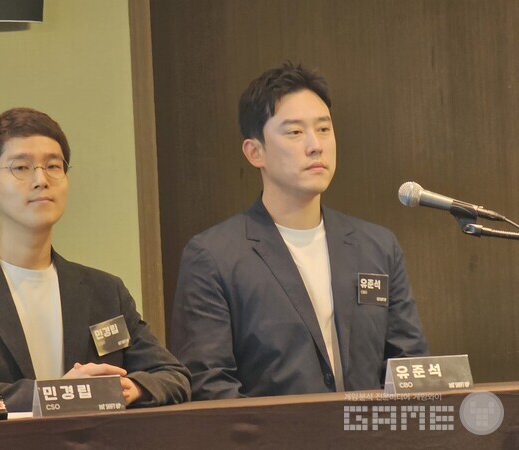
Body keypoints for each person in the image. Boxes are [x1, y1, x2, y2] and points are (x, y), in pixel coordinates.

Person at [171, 62, 428, 400]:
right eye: (294, 132)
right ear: (255, 152)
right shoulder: (214, 256)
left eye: (324, 129)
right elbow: (210, 385)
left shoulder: (377, 247)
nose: (315, 145)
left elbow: (409, 366)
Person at [0, 107, 190, 412]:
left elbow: (173, 376)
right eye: (21, 167)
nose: (41, 180)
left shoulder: (105, 291)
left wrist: (132, 388)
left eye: (53, 166)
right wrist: (57, 394)